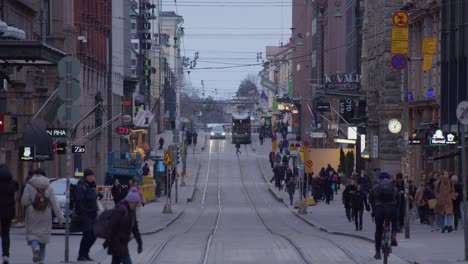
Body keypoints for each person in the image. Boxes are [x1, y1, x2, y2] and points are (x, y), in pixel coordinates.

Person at [21, 168, 64, 264]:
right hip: (46, 213)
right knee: (43, 238)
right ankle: (42, 260)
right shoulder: (49, 186)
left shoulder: (29, 186)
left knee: (33, 236)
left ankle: (35, 248)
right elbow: (55, 204)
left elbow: (24, 201)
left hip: (32, 213)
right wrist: (60, 217)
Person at [104, 187, 143, 264]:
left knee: (115, 261)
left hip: (123, 243)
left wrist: (139, 243)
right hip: (116, 242)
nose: (137, 205)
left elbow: (135, 229)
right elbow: (111, 226)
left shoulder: (131, 212)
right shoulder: (121, 210)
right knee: (127, 261)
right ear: (131, 202)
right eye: (136, 203)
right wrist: (107, 240)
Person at [369, 172, 399, 260]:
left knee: (378, 230)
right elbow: (398, 200)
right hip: (391, 208)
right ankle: (393, 235)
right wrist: (396, 210)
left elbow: (370, 199)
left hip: (379, 209)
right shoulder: (393, 187)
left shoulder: (375, 187)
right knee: (395, 220)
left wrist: (374, 211)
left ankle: (377, 252)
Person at [75, 168, 99, 261]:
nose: (93, 177)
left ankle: (86, 253)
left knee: (94, 235)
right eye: (91, 176)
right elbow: (79, 201)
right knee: (87, 235)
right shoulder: (82, 187)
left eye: (93, 175)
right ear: (87, 177)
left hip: (92, 215)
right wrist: (84, 212)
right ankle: (81, 255)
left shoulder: (90, 186)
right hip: (86, 215)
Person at [0, 165, 19, 264]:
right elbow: (17, 188)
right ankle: (5, 255)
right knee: (5, 233)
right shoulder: (13, 184)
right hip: (8, 212)